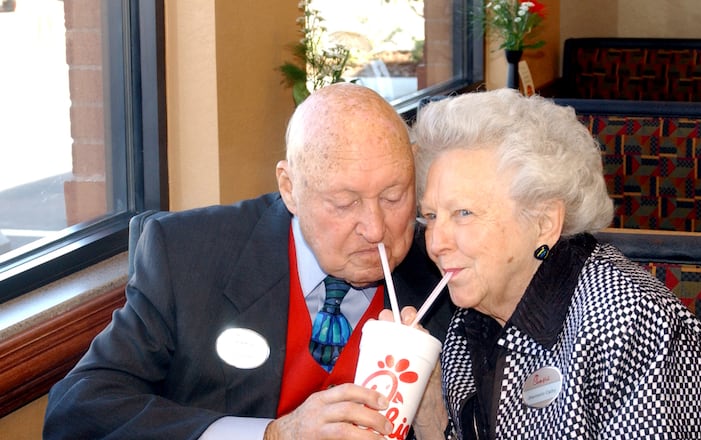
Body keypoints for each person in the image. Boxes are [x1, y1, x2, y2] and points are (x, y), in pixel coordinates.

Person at [43, 83, 453, 440]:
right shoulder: (189, 257)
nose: (376, 229)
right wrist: (272, 435)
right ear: (289, 188)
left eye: (393, 196)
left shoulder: (446, 275)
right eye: (344, 203)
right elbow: (78, 411)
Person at [409, 89, 701, 439]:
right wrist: (428, 409)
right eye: (431, 216)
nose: (437, 243)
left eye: (464, 213)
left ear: (544, 223)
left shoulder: (631, 327)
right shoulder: (469, 325)